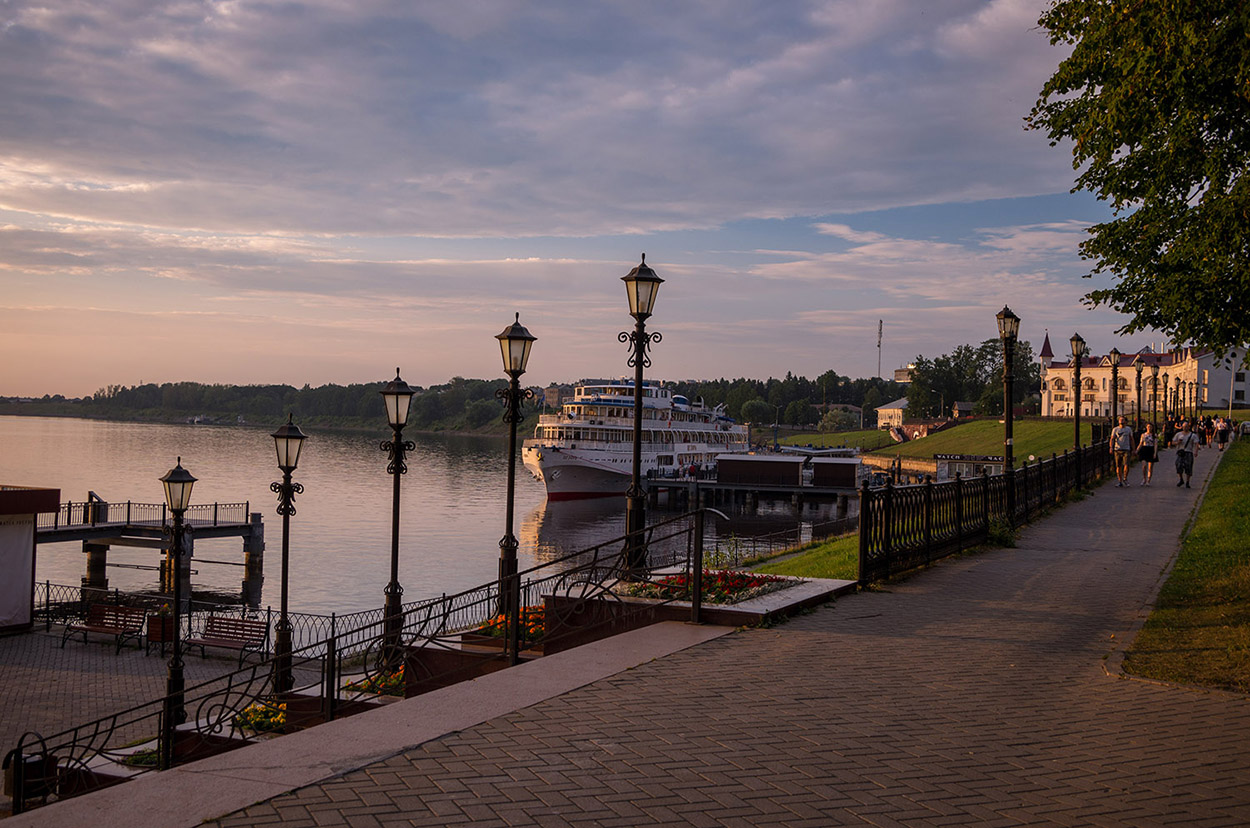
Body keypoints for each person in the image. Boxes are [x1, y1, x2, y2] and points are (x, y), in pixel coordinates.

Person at [1171, 420, 1199, 488]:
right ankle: (1181, 479)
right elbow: (1172, 442)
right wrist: (1177, 442)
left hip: (1188, 452)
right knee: (1178, 465)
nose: (1185, 428)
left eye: (1186, 426)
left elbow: (1196, 444)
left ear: (1189, 427)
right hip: (1180, 452)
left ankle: (1187, 481)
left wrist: (1196, 451)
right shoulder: (1178, 434)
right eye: (1184, 426)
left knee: (1188, 467)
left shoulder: (1192, 435)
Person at [1110, 416, 1134, 486]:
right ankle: (1120, 480)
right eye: (1120, 420)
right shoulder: (1115, 429)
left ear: (1125, 421)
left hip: (1126, 449)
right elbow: (1112, 438)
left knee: (1126, 465)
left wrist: (1133, 449)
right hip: (1117, 449)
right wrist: (1111, 447)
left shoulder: (1128, 429)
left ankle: (1125, 478)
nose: (1121, 421)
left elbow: (1131, 439)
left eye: (1122, 420)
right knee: (1118, 466)